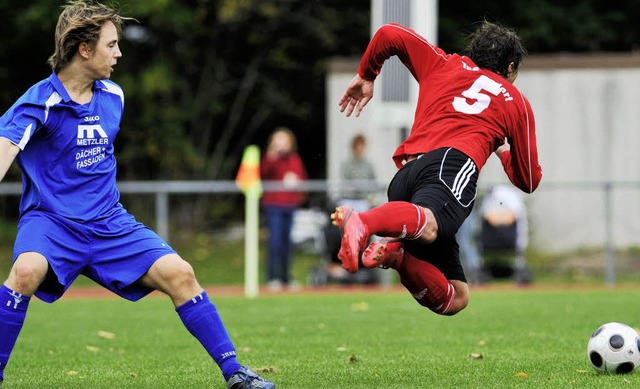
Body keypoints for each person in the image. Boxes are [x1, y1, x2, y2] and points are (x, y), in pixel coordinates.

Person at [0, 2, 275, 388]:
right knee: (25, 272)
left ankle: (236, 374)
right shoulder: (38, 102)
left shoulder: (113, 96)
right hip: (51, 222)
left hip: (109, 222)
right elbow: (5, 149)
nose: (118, 53)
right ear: (84, 49)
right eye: (111, 45)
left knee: (181, 273)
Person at [332, 21, 542, 316]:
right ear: (509, 67)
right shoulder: (515, 100)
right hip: (451, 166)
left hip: (407, 175)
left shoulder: (443, 64)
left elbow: (389, 33)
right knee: (430, 226)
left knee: (456, 296)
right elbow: (529, 179)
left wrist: (367, 74)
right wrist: (502, 151)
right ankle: (363, 223)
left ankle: (398, 258)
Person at [260, 127, 307, 291]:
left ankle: (286, 278)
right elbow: (263, 173)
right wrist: (272, 156)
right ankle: (272, 278)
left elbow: (302, 179)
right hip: (273, 205)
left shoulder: (294, 159)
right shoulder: (270, 158)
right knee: (275, 242)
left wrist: (296, 184)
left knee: (287, 243)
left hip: (290, 205)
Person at [339, 133, 377, 211]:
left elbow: (374, 182)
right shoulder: (346, 164)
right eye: (357, 146)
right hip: (349, 200)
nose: (360, 149)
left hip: (364, 200)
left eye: (362, 146)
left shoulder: (368, 165)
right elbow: (345, 182)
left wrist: (370, 196)